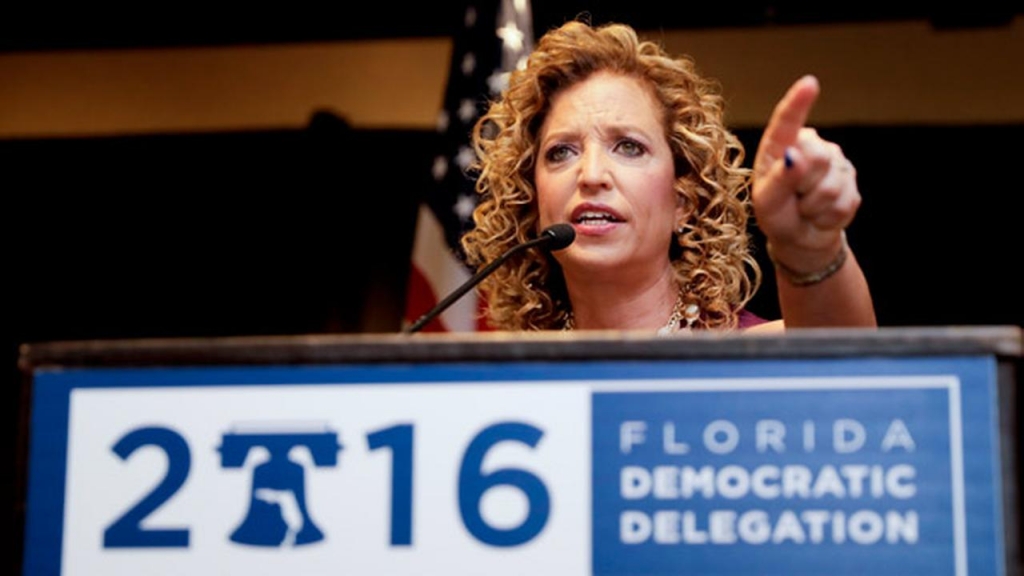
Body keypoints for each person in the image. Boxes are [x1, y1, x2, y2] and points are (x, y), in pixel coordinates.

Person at [460, 19, 876, 332]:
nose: (591, 175)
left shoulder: (746, 356)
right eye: (561, 152)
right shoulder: (507, 381)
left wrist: (809, 246)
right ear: (531, 202)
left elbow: (848, 370)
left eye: (629, 147)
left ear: (684, 200)